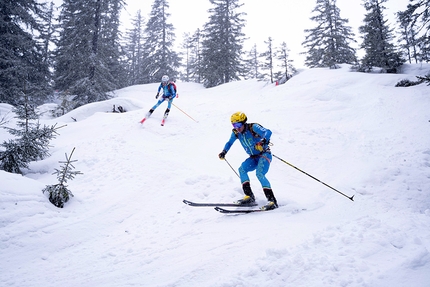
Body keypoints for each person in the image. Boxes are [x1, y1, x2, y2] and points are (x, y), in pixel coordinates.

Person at [218, 112, 278, 210]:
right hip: (253, 157)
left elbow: (268, 132)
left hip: (264, 155)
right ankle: (249, 197)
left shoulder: (253, 127)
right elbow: (229, 143)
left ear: (244, 122)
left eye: (238, 125)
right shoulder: (236, 133)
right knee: (242, 169)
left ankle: (272, 201)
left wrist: (263, 141)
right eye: (234, 125)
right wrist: (224, 152)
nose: (236, 127)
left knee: (259, 174)